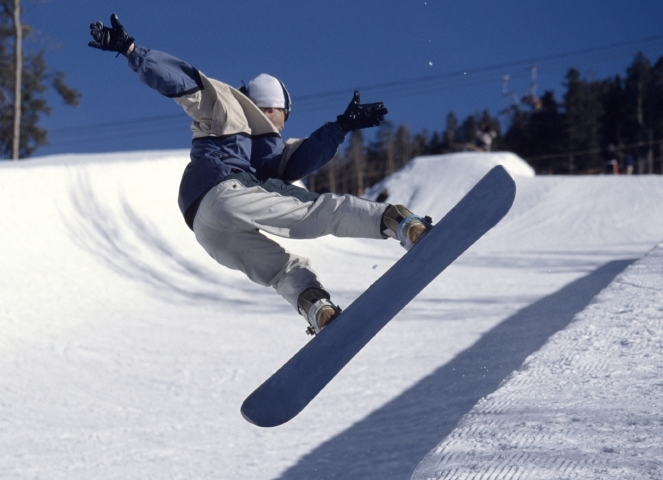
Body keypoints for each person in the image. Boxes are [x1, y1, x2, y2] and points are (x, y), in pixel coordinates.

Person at [88, 14, 430, 335]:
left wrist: (340, 127)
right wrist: (132, 50)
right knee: (322, 209)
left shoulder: (267, 151)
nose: (283, 124)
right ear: (274, 108)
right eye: (284, 114)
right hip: (225, 189)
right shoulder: (226, 105)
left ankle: (317, 308)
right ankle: (399, 222)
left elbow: (297, 160)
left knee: (281, 269)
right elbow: (183, 81)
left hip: (204, 226)